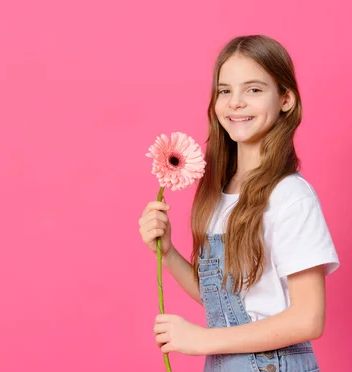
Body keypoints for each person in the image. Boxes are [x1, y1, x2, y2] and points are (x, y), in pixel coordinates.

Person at [138, 34, 340, 371]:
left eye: (254, 90)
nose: (235, 103)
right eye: (225, 90)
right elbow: (222, 302)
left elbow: (309, 318)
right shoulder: (219, 194)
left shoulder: (289, 195)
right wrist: (169, 252)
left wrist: (202, 339)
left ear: (286, 98)